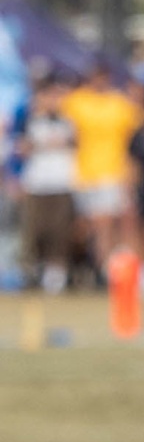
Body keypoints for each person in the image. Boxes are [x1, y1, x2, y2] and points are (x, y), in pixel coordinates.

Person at [62, 64, 142, 275]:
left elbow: (134, 136)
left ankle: (107, 269)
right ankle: (95, 266)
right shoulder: (76, 101)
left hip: (113, 171)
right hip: (84, 174)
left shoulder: (119, 103)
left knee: (107, 223)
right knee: (86, 228)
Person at [18, 73, 78, 293]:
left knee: (59, 231)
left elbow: (77, 144)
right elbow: (20, 147)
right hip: (37, 183)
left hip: (61, 182)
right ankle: (31, 272)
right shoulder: (29, 119)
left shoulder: (69, 121)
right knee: (34, 230)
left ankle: (56, 274)